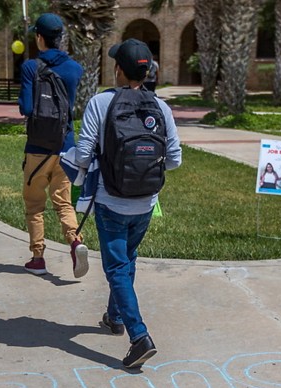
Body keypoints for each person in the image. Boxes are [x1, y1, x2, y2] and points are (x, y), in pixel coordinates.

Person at [75, 39, 182, 369]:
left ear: (118, 69)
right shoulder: (160, 107)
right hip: (146, 201)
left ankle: (139, 337)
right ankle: (114, 317)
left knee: (117, 267)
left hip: (111, 201)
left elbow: (81, 154)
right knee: (127, 259)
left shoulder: (100, 103)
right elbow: (175, 159)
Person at [17, 13, 86, 277]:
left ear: (39, 38)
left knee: (35, 205)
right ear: (61, 38)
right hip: (66, 146)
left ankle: (38, 258)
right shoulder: (75, 69)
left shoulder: (30, 67)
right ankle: (75, 241)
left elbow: (26, 107)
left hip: (37, 147)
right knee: (64, 202)